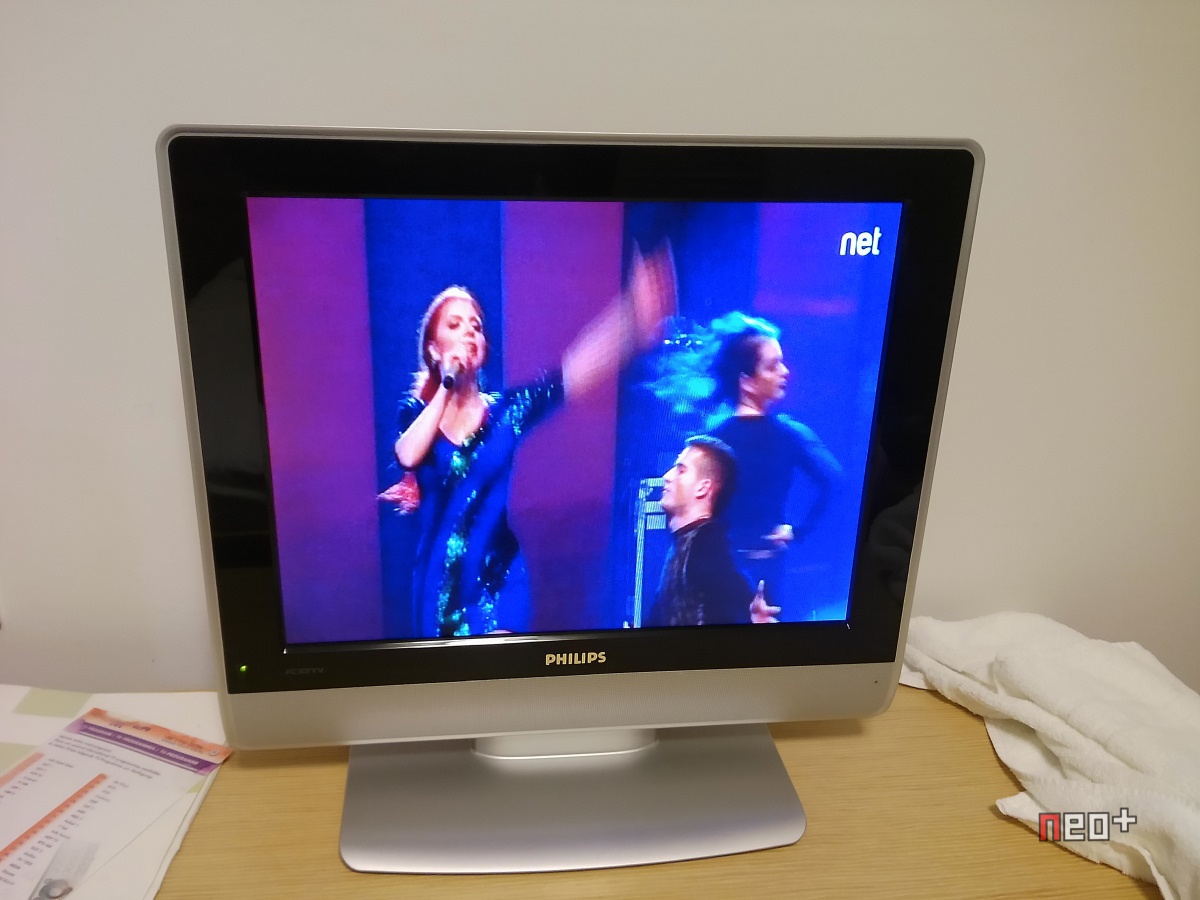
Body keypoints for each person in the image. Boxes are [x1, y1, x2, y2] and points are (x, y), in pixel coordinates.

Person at [395, 250, 675, 638]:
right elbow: (407, 454)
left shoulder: (506, 412)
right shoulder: (416, 413)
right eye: (455, 325)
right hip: (436, 589)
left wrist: (629, 322)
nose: (469, 332)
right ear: (433, 348)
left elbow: (572, 372)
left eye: (476, 326)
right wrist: (446, 381)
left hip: (499, 582)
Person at [704, 316, 842, 610]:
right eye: (773, 365)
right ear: (746, 381)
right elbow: (835, 482)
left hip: (721, 572)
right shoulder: (789, 434)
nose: (785, 371)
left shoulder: (712, 439)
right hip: (766, 574)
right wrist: (798, 531)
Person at [644, 435, 779, 628]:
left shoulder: (709, 553)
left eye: (681, 470)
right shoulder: (687, 545)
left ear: (703, 487)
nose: (667, 476)